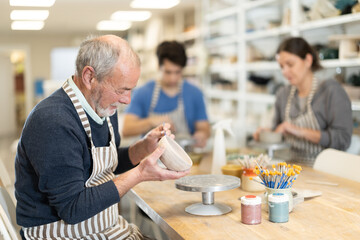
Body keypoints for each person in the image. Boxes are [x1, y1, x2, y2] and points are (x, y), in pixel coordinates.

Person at [15, 35, 188, 240]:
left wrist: (143, 147)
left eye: (131, 90)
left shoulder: (103, 109)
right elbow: (73, 209)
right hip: (59, 233)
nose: (126, 100)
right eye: (121, 90)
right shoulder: (53, 120)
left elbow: (108, 166)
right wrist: (140, 173)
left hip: (103, 228)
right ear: (89, 77)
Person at [253, 37, 353, 166]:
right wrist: (265, 133)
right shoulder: (283, 94)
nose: (285, 72)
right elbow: (277, 132)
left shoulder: (331, 91)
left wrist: (297, 130)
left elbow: (343, 139)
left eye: (290, 64)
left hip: (326, 170)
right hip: (292, 167)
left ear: (308, 60)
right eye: (281, 67)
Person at [122, 40, 210, 148]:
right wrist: (151, 122)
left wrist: (202, 135)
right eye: (168, 72)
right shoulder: (143, 92)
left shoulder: (195, 93)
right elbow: (126, 130)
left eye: (177, 72)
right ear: (159, 66)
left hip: (186, 158)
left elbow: (204, 128)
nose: (173, 78)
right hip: (151, 159)